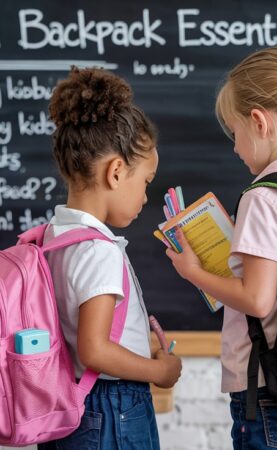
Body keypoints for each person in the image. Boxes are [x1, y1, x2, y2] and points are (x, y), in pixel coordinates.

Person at [166, 47, 277, 449]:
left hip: (272, 391)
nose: (234, 148)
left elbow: (257, 300)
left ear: (258, 122)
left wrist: (193, 271)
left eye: (234, 132)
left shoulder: (263, 197)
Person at [38, 66, 182, 450]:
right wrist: (159, 371)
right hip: (110, 412)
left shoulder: (54, 238)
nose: (146, 197)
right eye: (146, 182)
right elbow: (94, 349)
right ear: (117, 172)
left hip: (74, 407)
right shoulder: (98, 249)